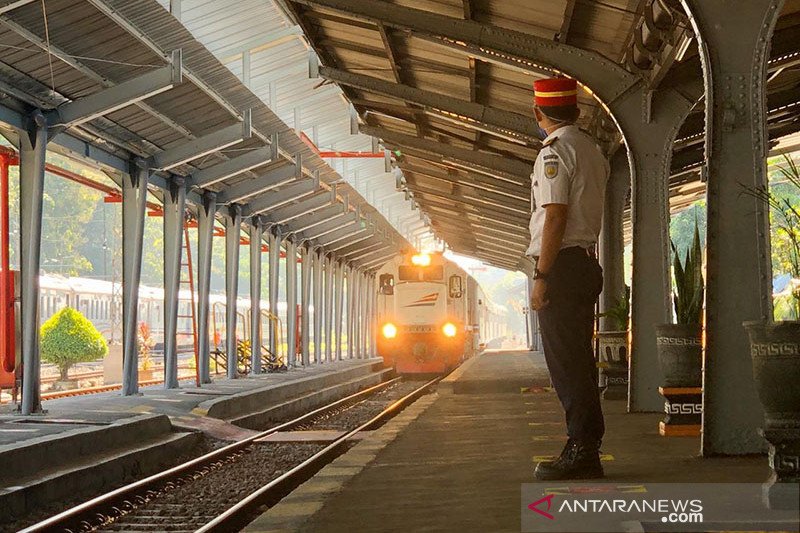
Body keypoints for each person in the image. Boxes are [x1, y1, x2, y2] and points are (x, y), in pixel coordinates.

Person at [527, 77, 610, 480]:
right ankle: (584, 444)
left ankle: (582, 449)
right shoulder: (592, 150)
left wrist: (542, 275)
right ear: (577, 112)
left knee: (567, 362)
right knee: (579, 360)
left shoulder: (554, 153)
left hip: (562, 265)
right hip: (583, 262)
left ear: (538, 113)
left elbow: (555, 215)